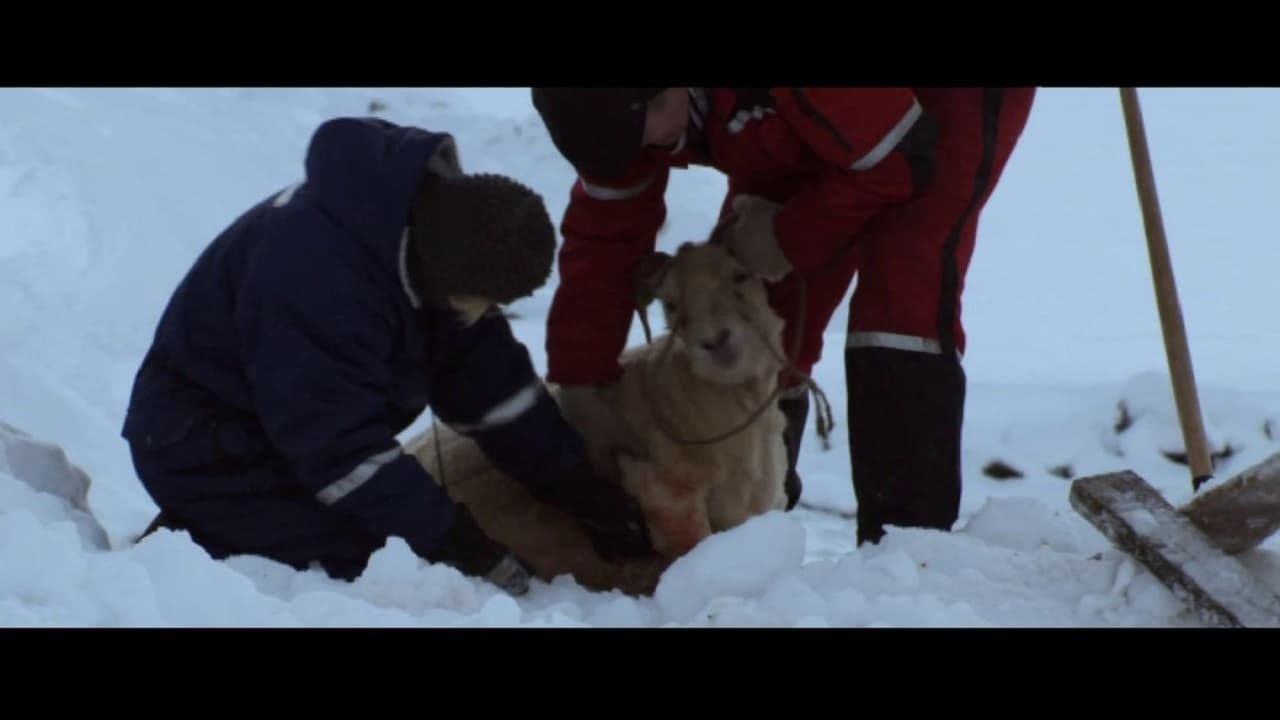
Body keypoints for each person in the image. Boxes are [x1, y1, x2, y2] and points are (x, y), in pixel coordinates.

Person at [120, 116, 653, 595]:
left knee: (391, 537)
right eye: (483, 302)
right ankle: (184, 560)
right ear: (451, 278)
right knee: (373, 568)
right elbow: (340, 448)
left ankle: (223, 531)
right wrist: (453, 541)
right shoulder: (319, 279)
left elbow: (490, 386)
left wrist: (574, 485)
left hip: (286, 435)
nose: (485, 313)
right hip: (201, 446)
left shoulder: (430, 243)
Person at [530, 87, 1035, 545]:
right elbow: (605, 237)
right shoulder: (610, 116)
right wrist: (582, 382)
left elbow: (901, 158)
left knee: (902, 295)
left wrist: (790, 235)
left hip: (935, 109)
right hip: (790, 118)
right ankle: (755, 522)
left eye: (651, 125)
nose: (649, 146)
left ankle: (906, 546)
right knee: (761, 310)